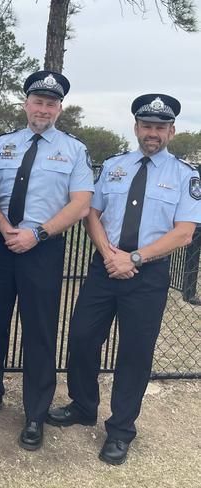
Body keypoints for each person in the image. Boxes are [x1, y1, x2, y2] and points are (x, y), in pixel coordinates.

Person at [47, 94, 201, 465]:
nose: (153, 133)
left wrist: (133, 258)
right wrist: (109, 255)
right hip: (105, 269)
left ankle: (120, 429)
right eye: (146, 126)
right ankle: (83, 406)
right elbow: (91, 213)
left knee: (134, 353)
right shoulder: (115, 166)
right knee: (82, 336)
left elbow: (183, 233)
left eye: (160, 128)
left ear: (171, 132)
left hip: (147, 275)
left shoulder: (185, 175)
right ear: (135, 128)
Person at [0, 70, 94, 451]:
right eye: (38, 101)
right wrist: (4, 229)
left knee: (38, 330)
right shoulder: (2, 144)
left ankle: (35, 411)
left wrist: (39, 232)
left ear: (59, 109)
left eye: (51, 104)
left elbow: (81, 203)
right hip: (1, 241)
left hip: (44, 246)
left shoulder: (73, 150)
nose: (43, 109)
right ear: (26, 105)